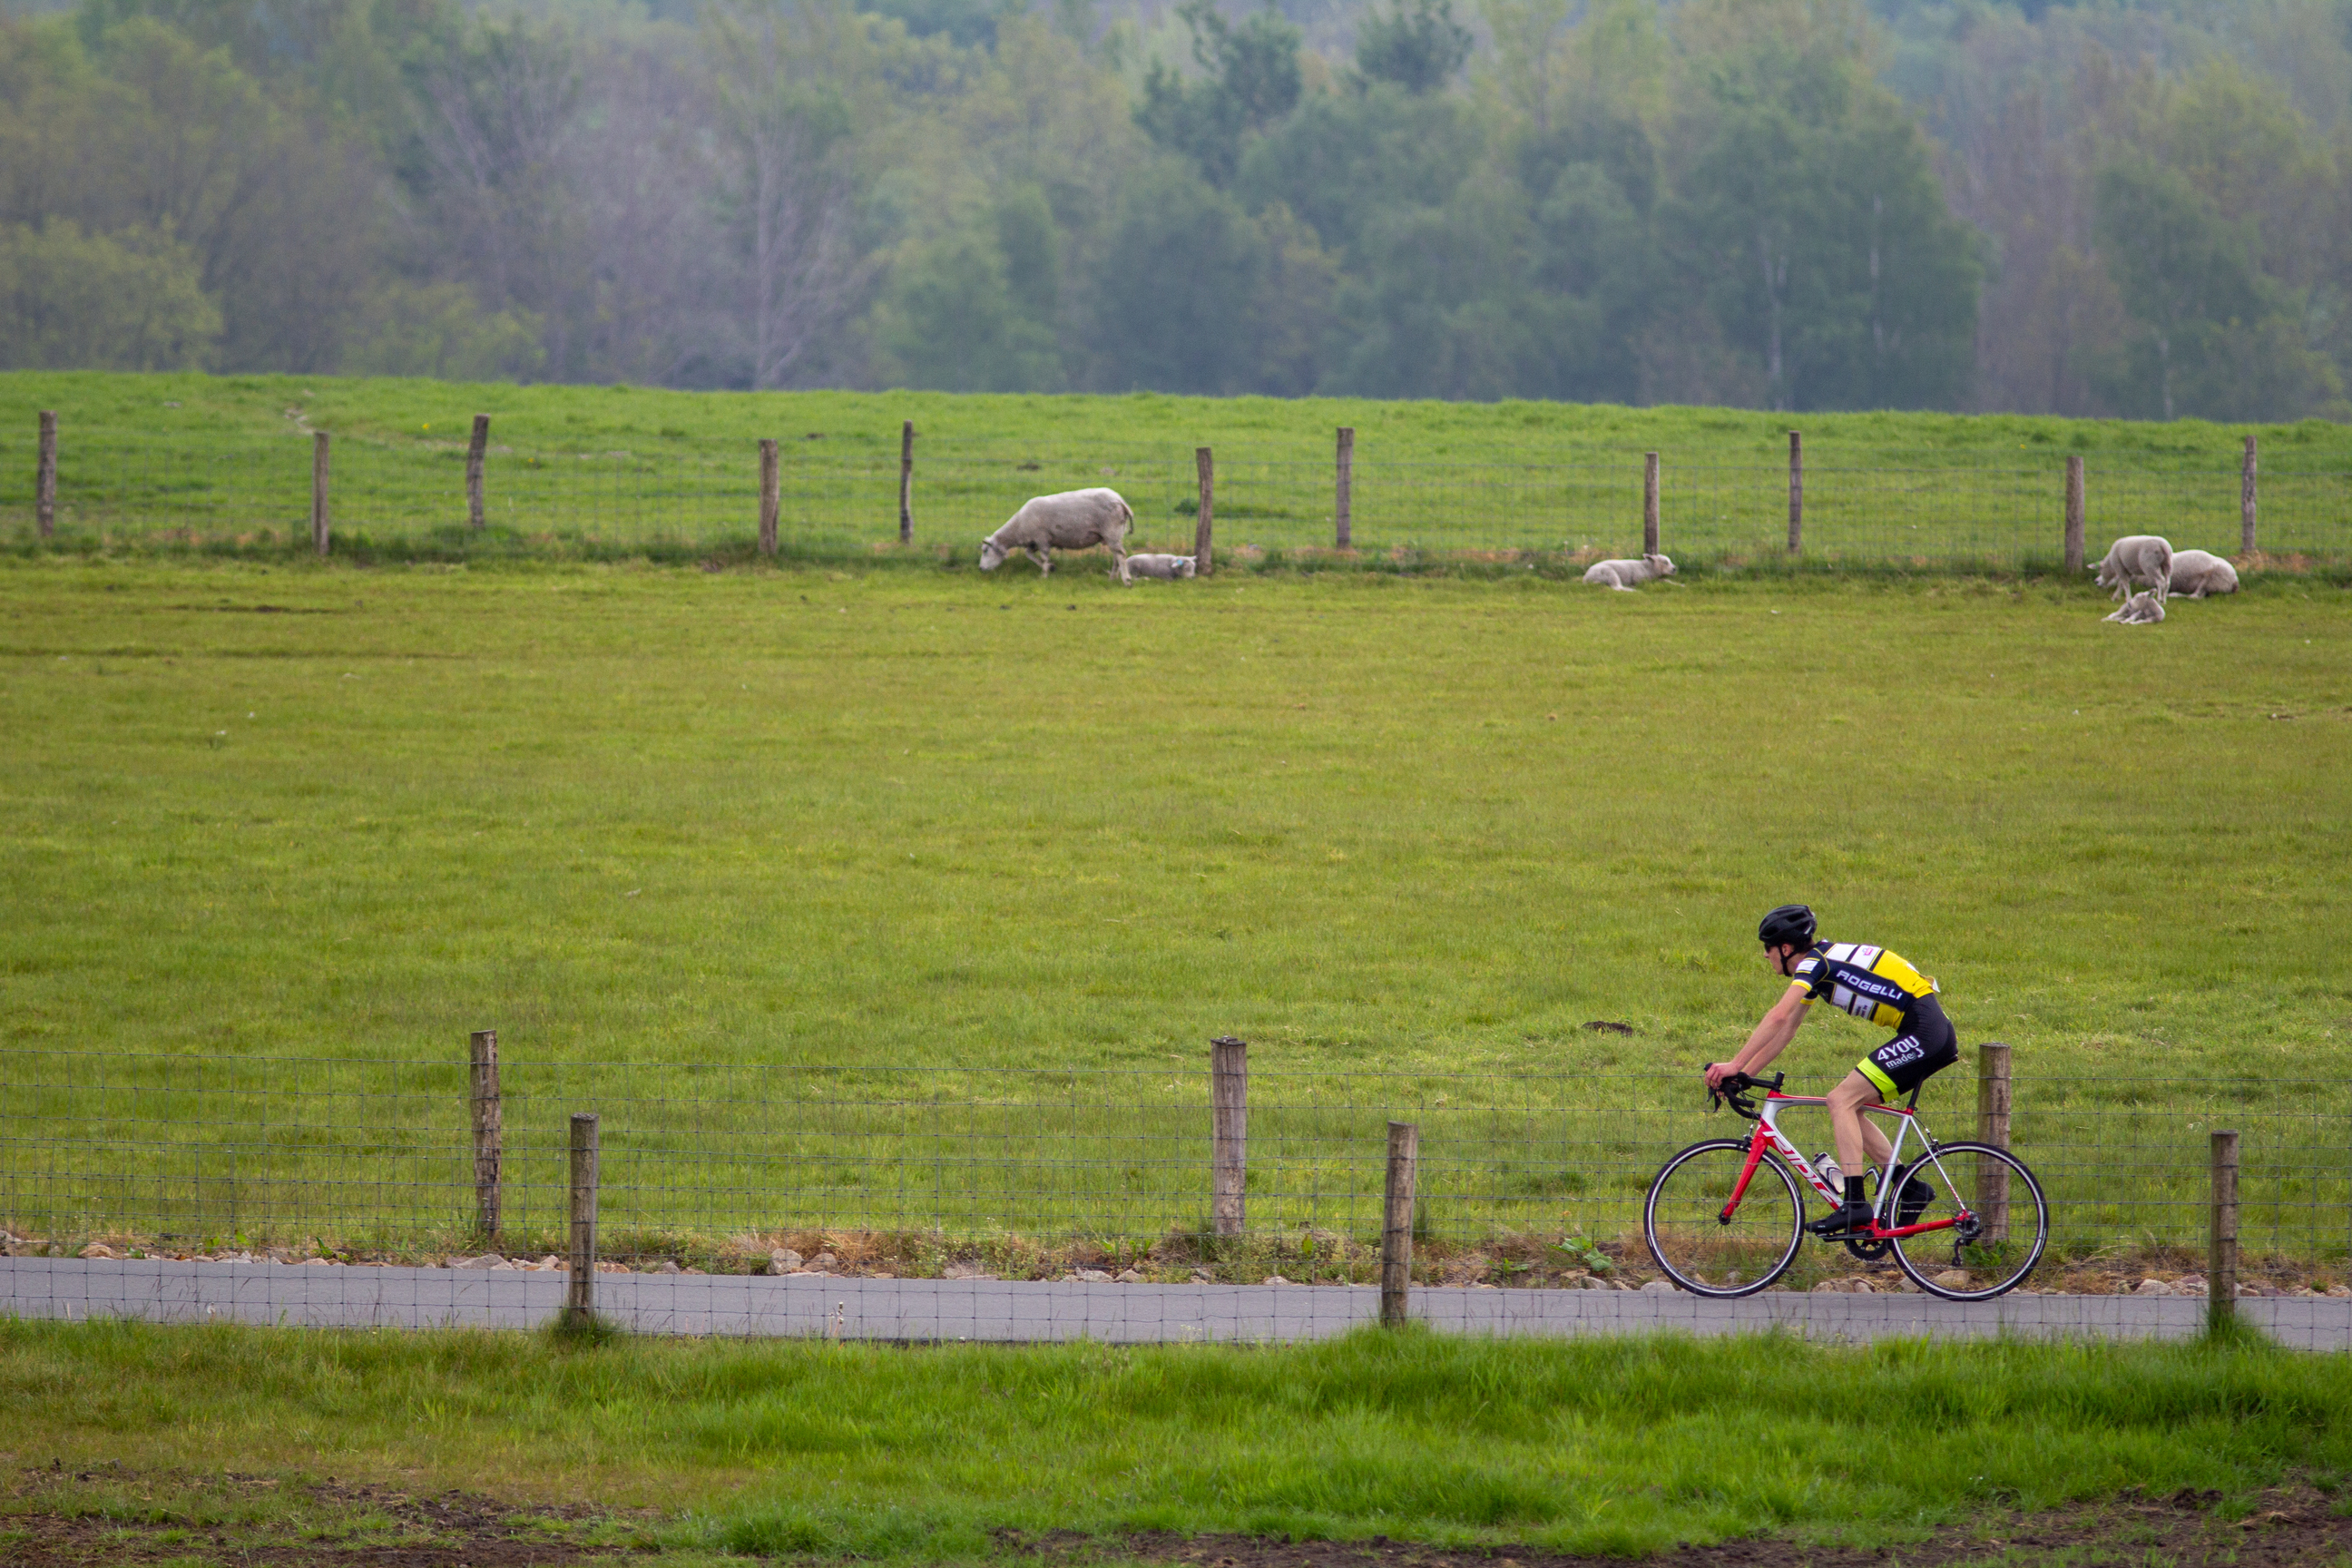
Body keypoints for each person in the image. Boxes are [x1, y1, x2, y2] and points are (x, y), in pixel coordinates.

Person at [1703, 905, 1955, 1236]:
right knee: (1851, 1107)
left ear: (1786, 948)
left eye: (1767, 947)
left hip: (1925, 1032)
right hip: (1927, 1032)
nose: (1765, 956)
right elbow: (1786, 1031)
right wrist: (1743, 1074)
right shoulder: (1820, 965)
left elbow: (1778, 1016)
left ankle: (1855, 1204)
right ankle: (1909, 1188)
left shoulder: (1815, 963)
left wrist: (1734, 1064)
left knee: (1840, 1100)